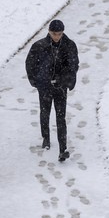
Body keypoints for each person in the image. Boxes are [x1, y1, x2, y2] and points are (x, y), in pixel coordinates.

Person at [25, 19, 79, 162]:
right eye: (54, 33)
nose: (57, 36)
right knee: (45, 112)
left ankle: (63, 149)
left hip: (60, 87)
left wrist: (66, 80)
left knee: (61, 117)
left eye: (59, 34)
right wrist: (35, 81)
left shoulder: (69, 46)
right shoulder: (39, 46)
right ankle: (46, 138)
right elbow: (30, 63)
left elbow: (74, 65)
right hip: (45, 86)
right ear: (49, 32)